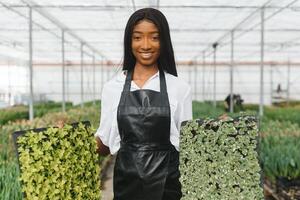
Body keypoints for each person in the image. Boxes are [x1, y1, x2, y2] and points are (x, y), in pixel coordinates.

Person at [95, 7, 192, 200]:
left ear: (164, 41)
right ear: (129, 41)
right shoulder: (112, 88)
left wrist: (215, 129)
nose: (146, 45)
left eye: (154, 37)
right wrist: (69, 137)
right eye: (137, 37)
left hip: (168, 188)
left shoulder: (179, 88)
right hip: (126, 188)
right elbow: (105, 144)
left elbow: (189, 144)